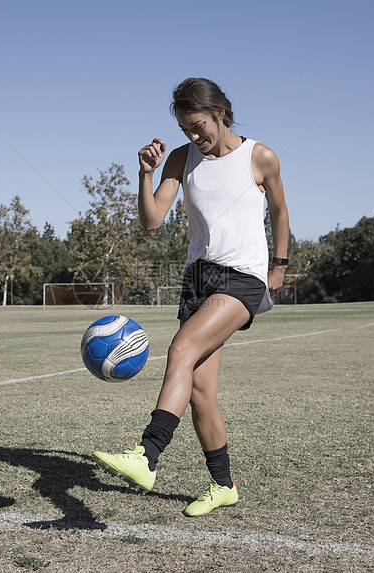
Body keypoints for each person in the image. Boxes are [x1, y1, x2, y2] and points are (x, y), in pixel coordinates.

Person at [92, 77, 290, 517]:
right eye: (185, 129)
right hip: (197, 279)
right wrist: (145, 175)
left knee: (180, 349)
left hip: (242, 277)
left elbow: (278, 210)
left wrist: (279, 265)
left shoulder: (260, 157)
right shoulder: (183, 159)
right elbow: (152, 220)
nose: (193, 135)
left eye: (198, 125)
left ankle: (147, 455)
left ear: (220, 113)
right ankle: (224, 485)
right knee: (200, 390)